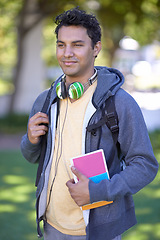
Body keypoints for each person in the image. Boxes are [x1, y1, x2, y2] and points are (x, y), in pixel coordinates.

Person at [21, 7, 158, 240]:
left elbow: (145, 164)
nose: (67, 53)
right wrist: (30, 140)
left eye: (77, 44)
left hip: (98, 232)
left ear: (96, 48)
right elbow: (32, 156)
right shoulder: (46, 100)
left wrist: (97, 191)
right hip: (52, 226)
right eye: (61, 44)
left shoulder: (120, 103)